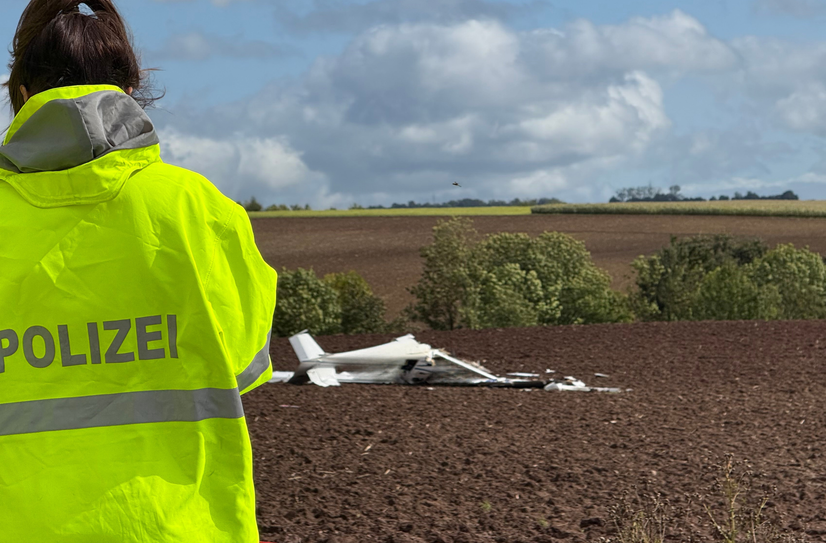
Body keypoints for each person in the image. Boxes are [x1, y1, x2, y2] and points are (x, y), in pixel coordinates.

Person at [0, 1, 277, 542]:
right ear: (129, 90)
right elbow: (244, 362)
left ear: (22, 94)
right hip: (177, 528)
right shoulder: (200, 209)